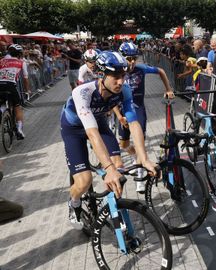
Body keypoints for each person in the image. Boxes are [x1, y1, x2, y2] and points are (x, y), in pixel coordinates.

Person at [61, 51, 158, 229]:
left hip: (98, 122)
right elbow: (92, 134)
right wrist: (108, 168)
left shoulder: (124, 90)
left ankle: (116, 208)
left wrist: (143, 159)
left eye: (122, 75)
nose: (120, 81)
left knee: (118, 165)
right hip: (74, 129)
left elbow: (134, 124)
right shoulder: (82, 92)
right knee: (84, 181)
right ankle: (73, 203)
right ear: (100, 74)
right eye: (115, 76)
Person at [116, 42, 175, 193]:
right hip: (122, 112)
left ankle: (140, 176)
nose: (132, 61)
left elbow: (161, 70)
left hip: (138, 110)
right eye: (129, 59)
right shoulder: (116, 72)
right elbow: (110, 97)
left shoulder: (141, 69)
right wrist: (118, 116)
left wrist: (168, 89)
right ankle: (137, 156)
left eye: (134, 58)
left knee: (139, 143)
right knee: (124, 145)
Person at [0, 44, 30, 139]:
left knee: (2, 104)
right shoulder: (21, 62)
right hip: (11, 85)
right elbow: (25, 79)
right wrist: (27, 90)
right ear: (19, 54)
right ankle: (19, 130)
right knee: (17, 106)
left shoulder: (1, 61)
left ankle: (1, 112)